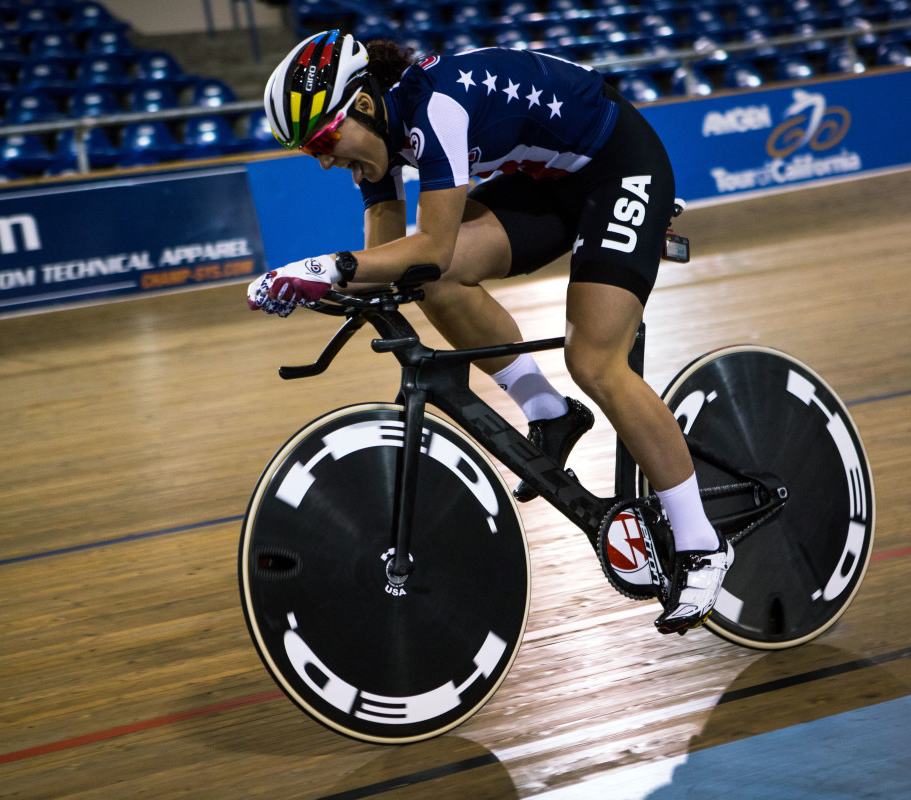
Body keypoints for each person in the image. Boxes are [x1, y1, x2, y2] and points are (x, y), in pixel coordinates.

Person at [247, 30, 732, 635]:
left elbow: (431, 243)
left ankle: (702, 542)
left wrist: (327, 267)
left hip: (618, 167)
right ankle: (548, 410)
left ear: (363, 104)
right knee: (435, 280)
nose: (323, 160)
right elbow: (391, 258)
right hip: (548, 181)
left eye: (323, 140)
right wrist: (319, 283)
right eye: (309, 151)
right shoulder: (375, 138)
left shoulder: (436, 109)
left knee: (595, 360)